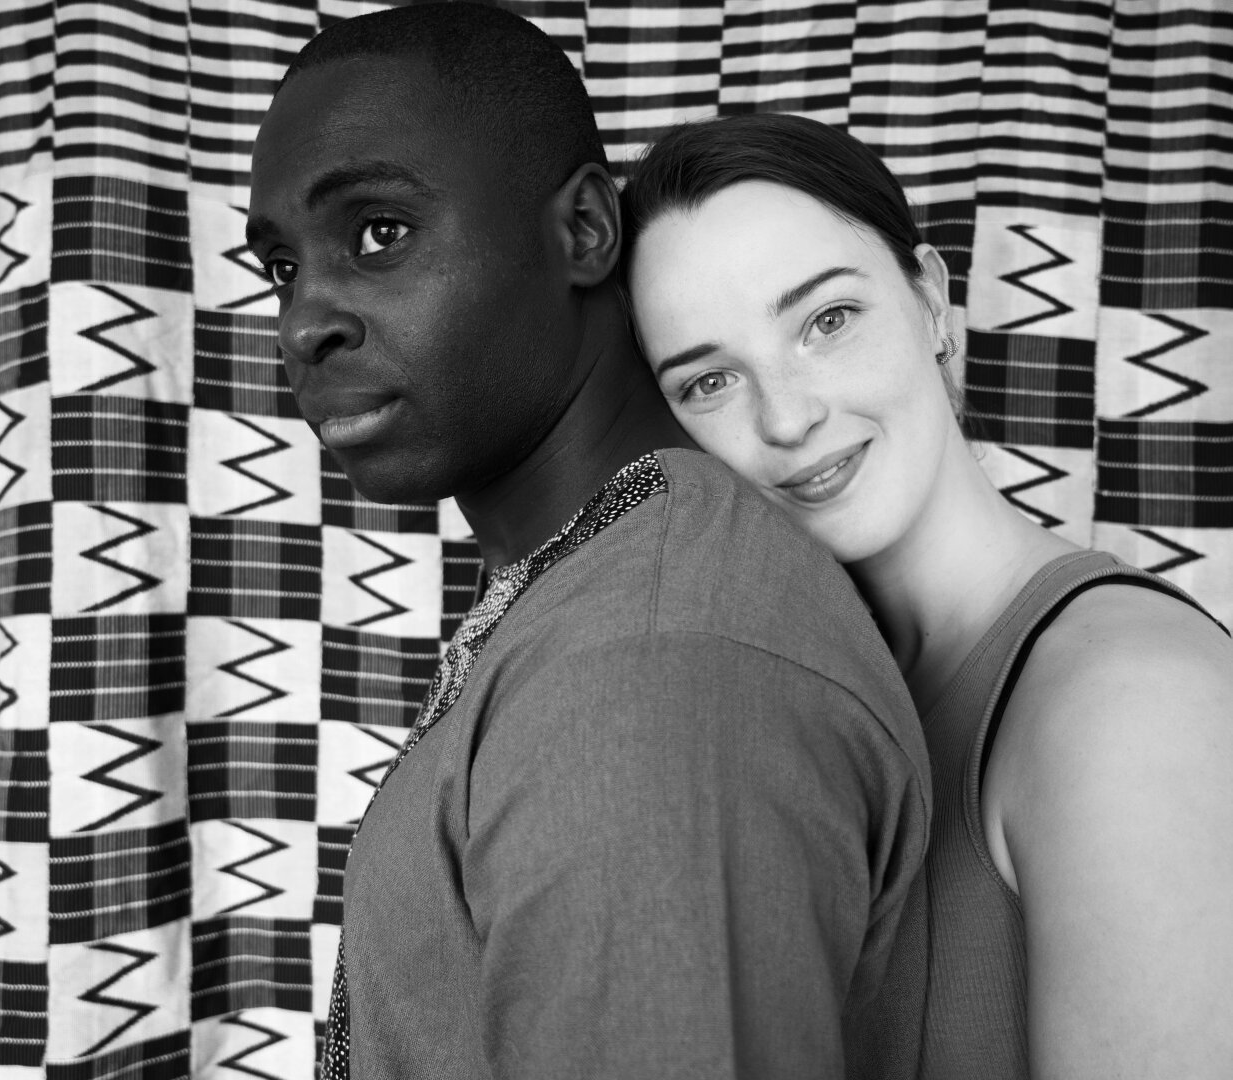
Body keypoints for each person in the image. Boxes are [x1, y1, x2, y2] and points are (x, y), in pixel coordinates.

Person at [247, 7, 931, 1079]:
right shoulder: (603, 589)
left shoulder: (660, 654)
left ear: (583, 231)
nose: (301, 324)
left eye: (379, 232)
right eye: (281, 269)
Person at [621, 112, 1233, 1080]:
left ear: (932, 302)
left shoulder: (1130, 700)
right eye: (710, 381)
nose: (787, 416)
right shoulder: (798, 708)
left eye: (827, 320)